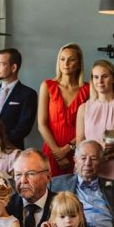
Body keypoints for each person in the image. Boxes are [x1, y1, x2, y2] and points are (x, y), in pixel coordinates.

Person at [75, 60, 114, 182]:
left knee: (112, 199)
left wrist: (106, 157)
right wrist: (92, 159)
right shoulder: (83, 108)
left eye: (105, 76)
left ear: (113, 78)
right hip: (87, 166)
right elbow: (79, 142)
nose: (100, 81)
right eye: (96, 77)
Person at [37, 43, 90, 176]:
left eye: (71, 59)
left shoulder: (88, 89)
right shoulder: (48, 86)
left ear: (78, 64)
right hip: (51, 150)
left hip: (78, 151)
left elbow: (88, 126)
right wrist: (58, 153)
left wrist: (67, 149)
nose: (66, 63)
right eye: (62, 59)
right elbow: (42, 125)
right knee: (50, 191)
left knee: (75, 192)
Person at [8, 149, 57, 227]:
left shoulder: (65, 205)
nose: (23, 180)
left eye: (31, 174)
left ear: (47, 177)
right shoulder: (6, 206)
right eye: (18, 175)